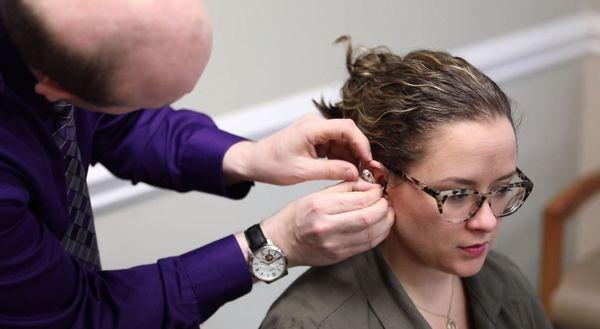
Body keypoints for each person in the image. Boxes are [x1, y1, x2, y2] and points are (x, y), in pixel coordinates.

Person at [0, 2, 396, 328]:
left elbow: (116, 121)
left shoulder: (64, 59)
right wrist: (273, 244)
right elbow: (79, 318)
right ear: (56, 90)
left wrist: (250, 157)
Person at [260, 37, 552, 329]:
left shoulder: (506, 284)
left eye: (501, 189)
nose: (487, 222)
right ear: (380, 182)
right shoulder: (309, 322)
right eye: (458, 195)